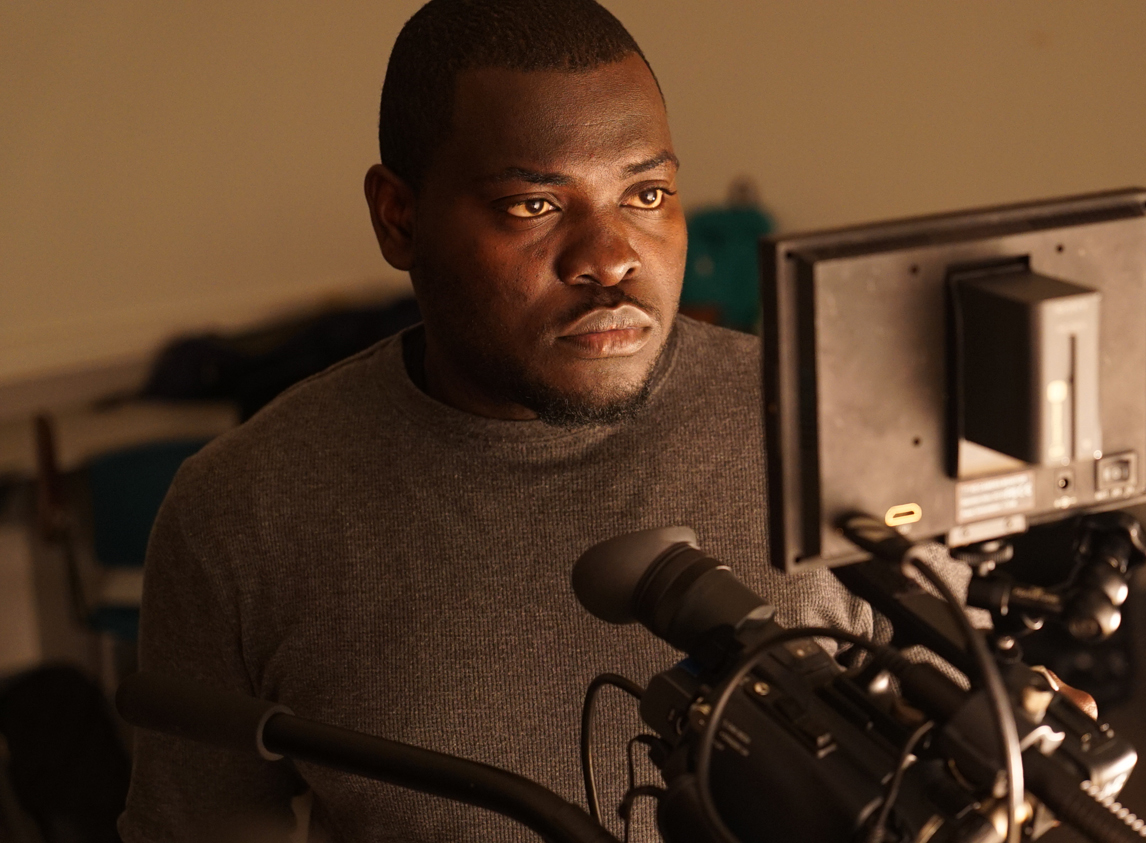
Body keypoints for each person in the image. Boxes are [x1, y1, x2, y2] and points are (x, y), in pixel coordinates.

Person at [117, 2, 868, 840]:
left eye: (646, 194)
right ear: (399, 218)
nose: (611, 258)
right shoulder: (243, 512)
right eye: (534, 205)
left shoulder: (836, 424)